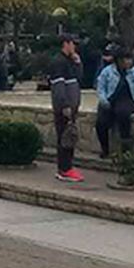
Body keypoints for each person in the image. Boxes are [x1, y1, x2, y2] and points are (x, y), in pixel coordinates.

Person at [95, 50, 134, 158]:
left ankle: (125, 150)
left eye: (130, 59)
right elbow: (101, 87)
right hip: (111, 99)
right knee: (100, 123)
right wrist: (104, 100)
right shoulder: (107, 72)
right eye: (126, 59)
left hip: (128, 99)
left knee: (123, 114)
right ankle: (105, 149)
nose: (128, 62)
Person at [48, 36, 84, 182]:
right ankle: (64, 169)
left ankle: (68, 166)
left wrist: (78, 63)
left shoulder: (69, 61)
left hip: (72, 105)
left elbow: (79, 78)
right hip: (65, 107)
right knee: (65, 136)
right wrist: (64, 106)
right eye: (72, 44)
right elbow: (58, 87)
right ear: (66, 44)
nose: (74, 47)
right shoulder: (59, 62)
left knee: (69, 136)